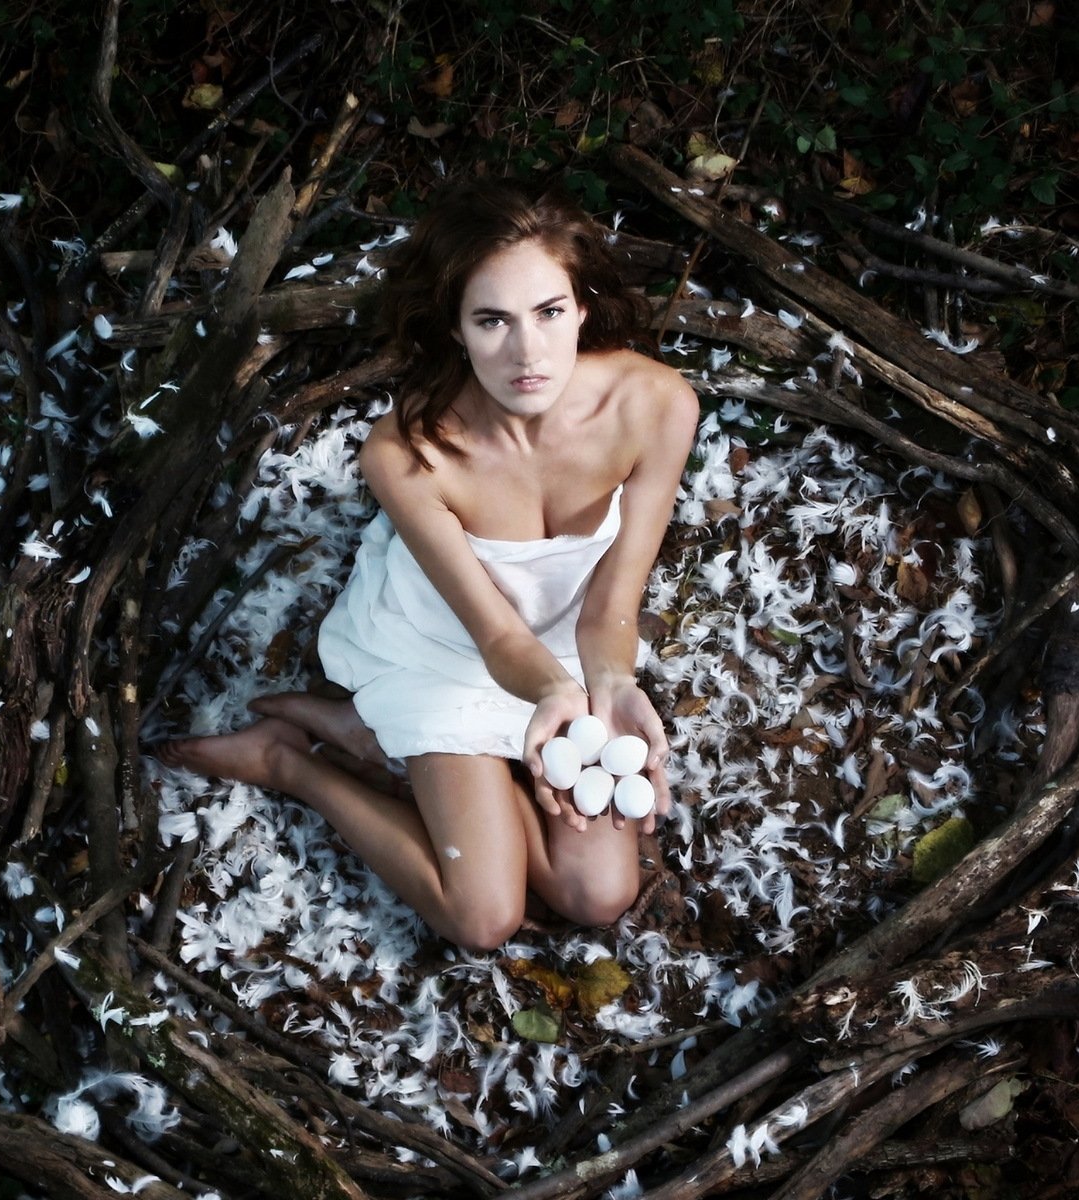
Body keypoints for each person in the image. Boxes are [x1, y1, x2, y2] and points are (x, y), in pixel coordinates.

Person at [161, 179, 699, 952]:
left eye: (549, 312)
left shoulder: (656, 406)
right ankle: (292, 761)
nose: (528, 353)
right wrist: (554, 696)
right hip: (445, 647)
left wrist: (608, 684)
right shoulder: (407, 453)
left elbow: (610, 607)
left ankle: (379, 744)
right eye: (492, 321)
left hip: (565, 643)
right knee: (482, 919)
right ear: (455, 327)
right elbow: (495, 637)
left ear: (582, 307)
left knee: (598, 894)